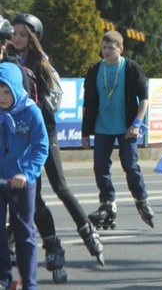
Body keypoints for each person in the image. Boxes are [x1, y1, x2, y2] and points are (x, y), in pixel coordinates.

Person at [8, 14, 104, 268]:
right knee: (33, 194)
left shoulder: (39, 63)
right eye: (14, 33)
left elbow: (52, 101)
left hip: (44, 131)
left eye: (22, 34)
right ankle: (51, 244)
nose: (16, 38)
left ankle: (87, 229)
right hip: (20, 135)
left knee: (60, 186)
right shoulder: (10, 60)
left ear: (33, 38)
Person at [81, 30, 153, 230]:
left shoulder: (131, 68)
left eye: (111, 48)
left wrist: (137, 123)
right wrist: (85, 132)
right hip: (102, 127)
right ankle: (107, 203)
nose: (107, 52)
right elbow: (87, 103)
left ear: (120, 49)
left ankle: (141, 200)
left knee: (130, 165)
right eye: (104, 48)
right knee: (100, 167)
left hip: (127, 127)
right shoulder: (95, 70)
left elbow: (144, 99)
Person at [0, 63, 49, 290]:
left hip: (21, 181)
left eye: (7, 91)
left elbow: (41, 147)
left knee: (24, 234)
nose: (2, 97)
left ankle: (30, 283)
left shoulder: (31, 112)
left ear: (17, 88)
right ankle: (4, 279)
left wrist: (27, 174)